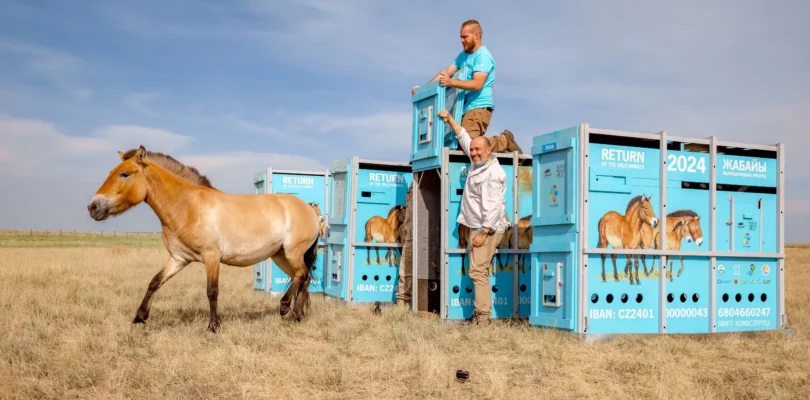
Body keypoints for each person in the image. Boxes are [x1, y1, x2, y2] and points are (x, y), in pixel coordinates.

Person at [395, 19, 520, 309]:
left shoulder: (484, 57)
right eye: (460, 37)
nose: (462, 40)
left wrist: (451, 83)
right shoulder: (462, 56)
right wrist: (424, 89)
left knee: (473, 146)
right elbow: (444, 73)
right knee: (461, 143)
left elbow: (476, 84)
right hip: (463, 108)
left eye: (465, 36)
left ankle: (502, 140)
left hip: (478, 108)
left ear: (477, 35)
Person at [441, 108, 508, 324]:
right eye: (472, 150)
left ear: (490, 150)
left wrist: (484, 232)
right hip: (476, 226)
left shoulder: (492, 175)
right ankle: (481, 315)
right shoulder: (477, 163)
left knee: (478, 271)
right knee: (477, 270)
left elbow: (494, 207)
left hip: (485, 228)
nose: (474, 153)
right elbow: (464, 137)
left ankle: (483, 318)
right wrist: (450, 119)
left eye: (479, 150)